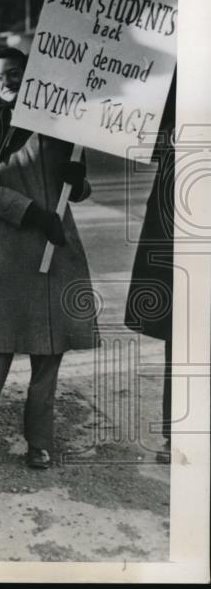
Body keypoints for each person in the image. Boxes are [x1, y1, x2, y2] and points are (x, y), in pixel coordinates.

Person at [0, 48, 96, 471]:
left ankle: (40, 441)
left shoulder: (60, 126)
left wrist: (78, 181)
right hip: (4, 254)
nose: (7, 81)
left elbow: (79, 189)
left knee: (49, 351)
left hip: (55, 252)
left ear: (31, 76)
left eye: (15, 73)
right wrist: (32, 213)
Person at [125, 75, 175, 464]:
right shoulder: (175, 83)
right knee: (184, 335)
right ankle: (177, 435)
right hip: (180, 226)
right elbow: (144, 138)